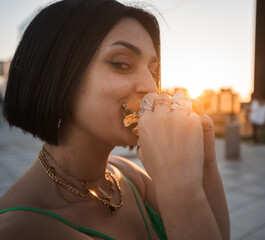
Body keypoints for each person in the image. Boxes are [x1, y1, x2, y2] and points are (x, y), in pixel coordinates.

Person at [0, 0, 230, 239]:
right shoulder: (20, 229)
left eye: (152, 71)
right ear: (58, 75)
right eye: (122, 64)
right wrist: (179, 187)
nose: (151, 87)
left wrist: (205, 162)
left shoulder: (127, 176)